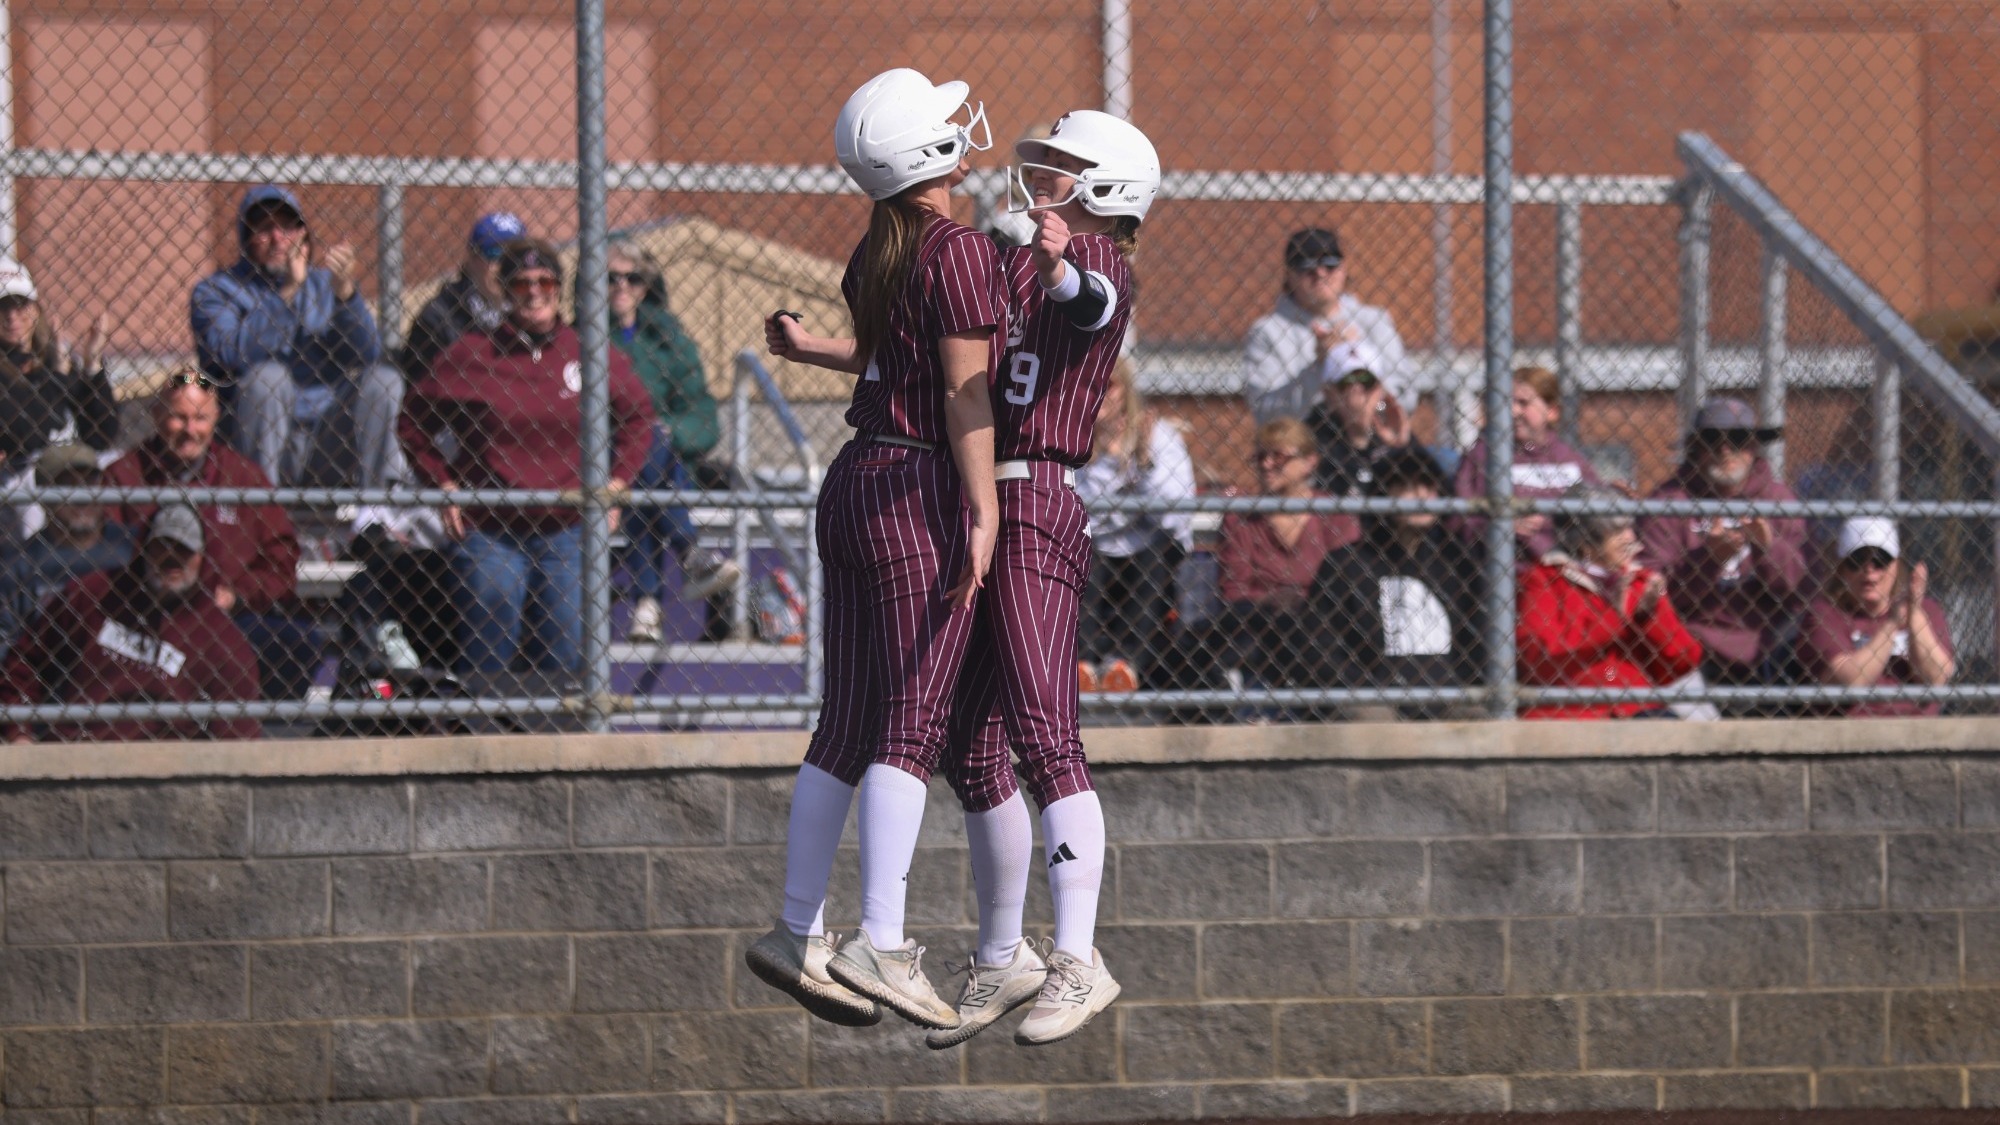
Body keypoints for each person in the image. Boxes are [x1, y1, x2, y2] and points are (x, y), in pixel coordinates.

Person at [744, 67, 1002, 1034]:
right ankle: (880, 938)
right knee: (913, 717)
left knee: (847, 719)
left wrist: (813, 353)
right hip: (918, 490)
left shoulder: (884, 241)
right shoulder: (961, 247)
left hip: (856, 478)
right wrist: (982, 508)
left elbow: (897, 358)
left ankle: (796, 926)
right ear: (924, 155)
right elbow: (965, 392)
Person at [932, 108, 1160, 1047]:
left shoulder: (1099, 260)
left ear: (1105, 185)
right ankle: (1003, 954)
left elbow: (1090, 302)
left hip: (1037, 503)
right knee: (965, 747)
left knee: (1043, 733)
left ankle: (1078, 953)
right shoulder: (1016, 255)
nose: (1046, 182)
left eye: (1066, 171)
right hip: (983, 499)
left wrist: (1061, 263)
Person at [400, 238, 655, 677]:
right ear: (504, 290)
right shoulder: (471, 354)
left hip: (567, 526)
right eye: (521, 283)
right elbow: (412, 424)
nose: (534, 292)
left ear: (558, 288)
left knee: (568, 638)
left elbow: (638, 418)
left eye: (544, 281)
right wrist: (443, 486)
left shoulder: (588, 350)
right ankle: (487, 732)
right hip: (492, 526)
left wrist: (617, 485)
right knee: (493, 617)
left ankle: (559, 738)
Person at [101, 374, 310, 700]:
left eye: (200, 418)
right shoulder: (124, 475)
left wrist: (236, 595)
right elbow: (106, 557)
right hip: (147, 620)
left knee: (298, 642)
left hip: (227, 622)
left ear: (215, 419)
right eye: (178, 417)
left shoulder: (244, 477)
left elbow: (281, 561)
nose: (190, 430)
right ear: (157, 416)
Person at [191, 184, 403, 490]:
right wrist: (288, 293)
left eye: (287, 228)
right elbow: (228, 357)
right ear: (246, 237)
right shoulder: (216, 290)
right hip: (256, 437)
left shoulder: (323, 285)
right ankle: (263, 509)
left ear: (302, 234)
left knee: (384, 380)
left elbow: (366, 355)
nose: (278, 238)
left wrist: (346, 296)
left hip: (329, 439)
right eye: (264, 229)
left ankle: (375, 514)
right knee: (269, 378)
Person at [2, 505, 262, 743]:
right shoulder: (95, 595)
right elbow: (24, 664)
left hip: (161, 770)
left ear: (203, 556)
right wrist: (19, 733)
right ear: (144, 549)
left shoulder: (222, 641)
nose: (173, 559)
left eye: (184, 550)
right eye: (163, 546)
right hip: (76, 750)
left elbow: (239, 735)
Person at [606, 237, 739, 644]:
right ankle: (690, 554)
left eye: (634, 279)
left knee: (650, 443)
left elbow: (703, 420)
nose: (622, 288)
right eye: (610, 279)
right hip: (603, 461)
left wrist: (665, 432)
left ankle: (647, 604)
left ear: (647, 286)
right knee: (642, 445)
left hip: (666, 466)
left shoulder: (672, 344)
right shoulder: (577, 340)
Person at [1637, 398, 1806, 695]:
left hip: (1771, 641)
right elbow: (1650, 596)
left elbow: (1802, 587)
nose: (1725, 450)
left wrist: (1767, 549)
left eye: (1738, 440)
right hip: (1696, 642)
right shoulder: (1669, 503)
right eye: (1713, 440)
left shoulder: (1779, 499)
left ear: (1753, 447)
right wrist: (1708, 560)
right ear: (1697, 449)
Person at [1315, 446, 1485, 720]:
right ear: (1383, 494)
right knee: (1372, 721)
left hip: (1450, 695)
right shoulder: (1346, 564)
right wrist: (1363, 690)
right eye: (1406, 486)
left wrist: (1460, 685)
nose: (1420, 495)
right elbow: (1323, 644)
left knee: (1477, 719)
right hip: (1373, 700)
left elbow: (1479, 640)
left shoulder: (1458, 562)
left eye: (1428, 486)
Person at [1519, 483, 1703, 720]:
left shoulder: (1639, 581)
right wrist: (1612, 618)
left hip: (1636, 709)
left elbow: (1682, 664)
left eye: (1629, 527)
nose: (1630, 538)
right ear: (1584, 541)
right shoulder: (1544, 580)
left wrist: (1650, 618)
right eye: (1617, 531)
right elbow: (1540, 661)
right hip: (1571, 711)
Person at [1209, 417, 1360, 692]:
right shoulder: (1242, 516)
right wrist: (1271, 600)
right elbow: (1233, 590)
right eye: (1260, 457)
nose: (1267, 465)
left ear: (1309, 462)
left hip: (1322, 623)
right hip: (1258, 623)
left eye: (1278, 457)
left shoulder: (1334, 514)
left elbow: (1350, 581)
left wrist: (1306, 601)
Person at [1074, 357, 1194, 692]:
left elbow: (1174, 515)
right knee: (1083, 550)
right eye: (1088, 383)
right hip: (1094, 546)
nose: (1098, 393)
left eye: (1108, 384)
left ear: (1125, 390)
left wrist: (1143, 462)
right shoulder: (1069, 435)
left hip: (1147, 549)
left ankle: (1125, 665)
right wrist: (1108, 459)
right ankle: (1083, 662)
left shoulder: (1159, 435)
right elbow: (1074, 510)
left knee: (1152, 558)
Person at [1243, 226, 1413, 426]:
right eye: (1306, 266)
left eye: (1330, 264)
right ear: (1289, 274)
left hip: (1371, 439)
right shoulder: (1267, 332)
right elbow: (1266, 414)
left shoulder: (1374, 320)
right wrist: (1320, 367)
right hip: (1305, 446)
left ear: (1344, 269)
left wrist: (1362, 378)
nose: (1320, 273)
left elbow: (1406, 398)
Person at [0, 256, 117, 545]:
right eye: (1, 307)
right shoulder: (51, 369)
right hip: (23, 473)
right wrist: (60, 377)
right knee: (28, 501)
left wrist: (92, 367)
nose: (12, 316)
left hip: (74, 468)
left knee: (113, 465)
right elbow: (29, 434)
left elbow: (102, 434)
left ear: (36, 309)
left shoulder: (53, 361)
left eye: (20, 304)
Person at [1799, 517, 1953, 717]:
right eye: (1857, 560)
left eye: (1880, 559)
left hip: (1918, 730)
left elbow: (1936, 678)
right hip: (1853, 735)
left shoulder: (1926, 609)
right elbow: (1851, 683)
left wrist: (1914, 614)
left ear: (1896, 565)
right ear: (1842, 569)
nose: (1869, 570)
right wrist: (1892, 625)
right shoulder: (1825, 615)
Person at [0, 444, 135, 659]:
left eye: (89, 483)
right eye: (68, 486)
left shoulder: (132, 547)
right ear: (45, 497)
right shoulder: (18, 567)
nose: (82, 497)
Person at [1454, 366, 1600, 559]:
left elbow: (1599, 513)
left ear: (1552, 411)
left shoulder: (1570, 459)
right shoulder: (1483, 456)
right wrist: (1501, 526)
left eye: (1523, 403)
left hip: (1570, 566)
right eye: (1507, 402)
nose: (1513, 411)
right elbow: (1459, 519)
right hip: (1512, 569)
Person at [398, 212, 524, 381]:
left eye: (516, 256)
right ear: (471, 259)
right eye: (494, 253)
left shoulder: (535, 312)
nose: (505, 266)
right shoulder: (439, 319)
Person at [1304, 339, 1414, 498]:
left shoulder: (1392, 428)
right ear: (1329, 393)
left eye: (1367, 382)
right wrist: (1358, 438)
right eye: (1345, 382)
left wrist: (1400, 448)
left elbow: (1427, 486)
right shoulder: (1312, 436)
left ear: (1380, 390)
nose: (1357, 391)